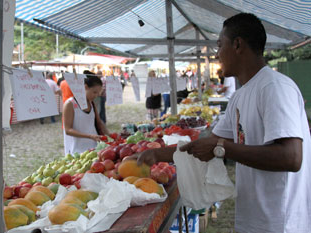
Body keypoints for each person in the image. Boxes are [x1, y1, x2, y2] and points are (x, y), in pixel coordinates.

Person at [132, 13, 311, 233]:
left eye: (219, 46)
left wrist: (223, 149)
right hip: (254, 217)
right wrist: (158, 155)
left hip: (281, 223)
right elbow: (209, 143)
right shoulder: (239, 96)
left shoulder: (274, 87)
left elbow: (291, 158)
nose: (217, 55)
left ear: (237, 45)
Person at [63, 73, 109, 154]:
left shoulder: (91, 103)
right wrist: (90, 136)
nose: (96, 96)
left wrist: (109, 134)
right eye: (94, 92)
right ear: (85, 87)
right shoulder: (70, 104)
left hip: (94, 147)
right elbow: (68, 130)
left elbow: (99, 122)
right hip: (77, 149)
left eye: (98, 93)